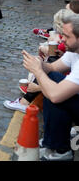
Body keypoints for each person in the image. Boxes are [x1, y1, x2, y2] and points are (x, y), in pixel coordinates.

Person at [23, 14, 79, 161]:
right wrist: (39, 63)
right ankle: (52, 142)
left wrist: (38, 71)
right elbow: (53, 68)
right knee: (52, 79)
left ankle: (62, 150)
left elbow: (55, 95)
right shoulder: (74, 51)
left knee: (55, 92)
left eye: (66, 36)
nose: (62, 40)